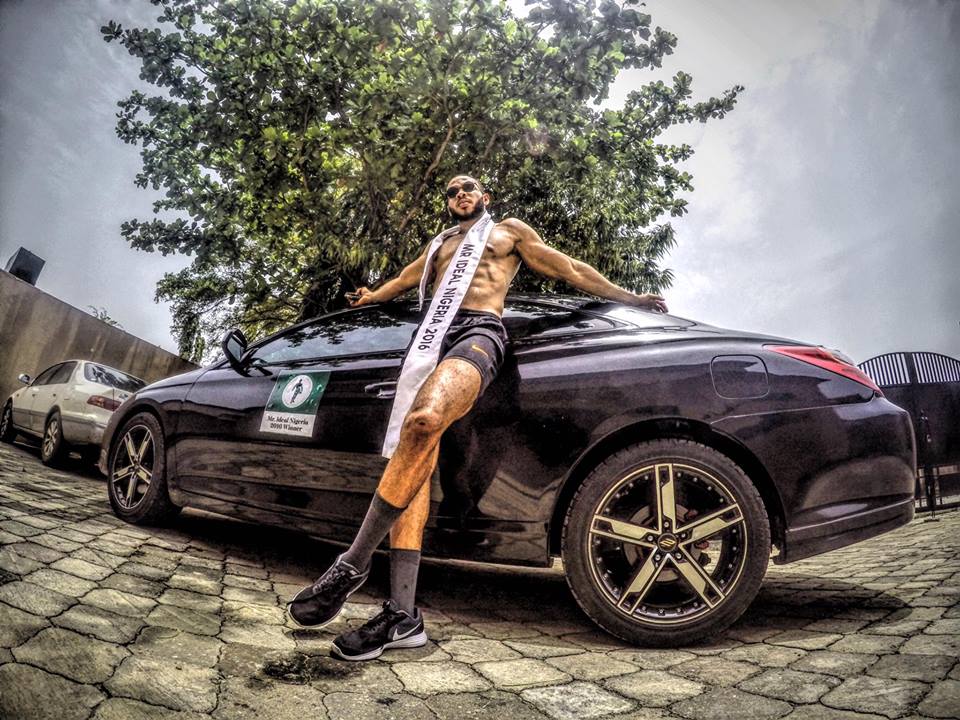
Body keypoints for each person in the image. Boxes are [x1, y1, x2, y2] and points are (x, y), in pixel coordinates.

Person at [288, 174, 668, 661]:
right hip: (429, 339)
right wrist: (371, 298)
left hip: (478, 332)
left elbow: (569, 268)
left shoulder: (508, 232)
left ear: (484, 196)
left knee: (423, 422)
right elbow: (402, 282)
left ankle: (352, 564)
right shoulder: (438, 246)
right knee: (414, 456)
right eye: (451, 191)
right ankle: (403, 616)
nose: (460, 194)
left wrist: (630, 298)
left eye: (468, 187)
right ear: (448, 203)